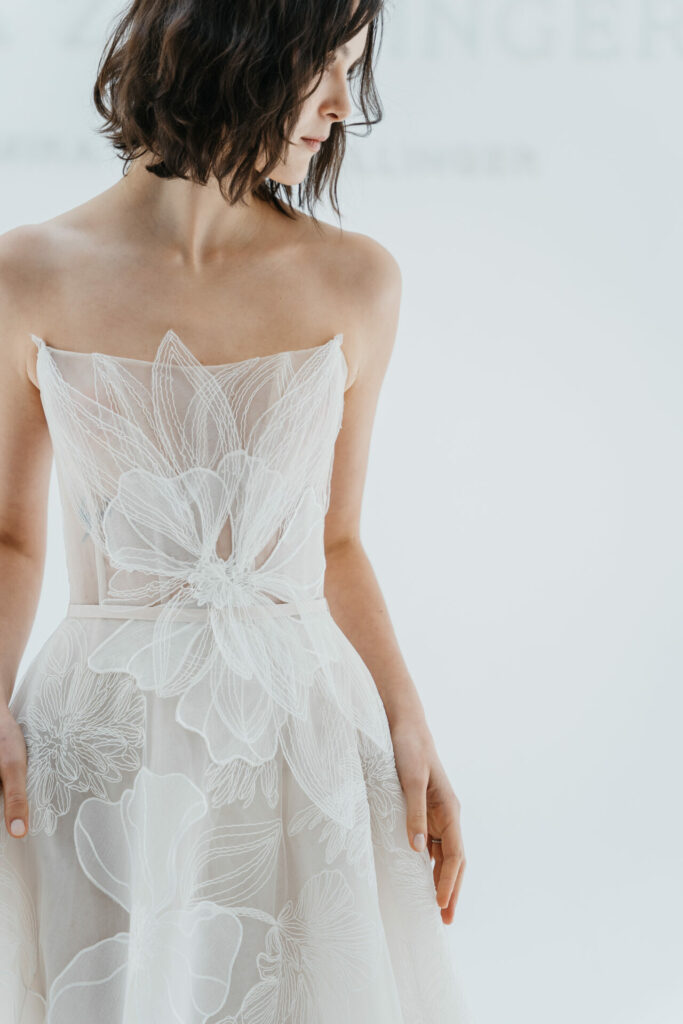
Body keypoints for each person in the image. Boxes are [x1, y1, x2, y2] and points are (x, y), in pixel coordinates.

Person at [0, 0, 471, 1019]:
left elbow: (334, 541)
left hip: (304, 739)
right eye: (322, 65)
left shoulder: (356, 280)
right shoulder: (26, 272)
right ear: (235, 44)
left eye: (351, 69)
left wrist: (409, 724)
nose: (344, 106)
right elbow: (11, 535)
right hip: (99, 747)